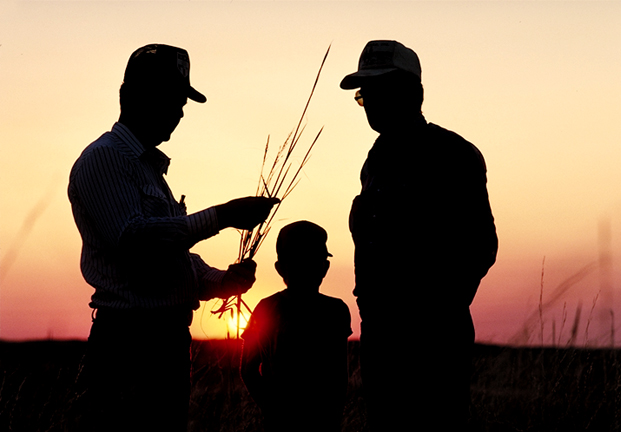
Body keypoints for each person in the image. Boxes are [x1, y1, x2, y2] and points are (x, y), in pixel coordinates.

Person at [67, 43, 279, 432]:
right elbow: (133, 241)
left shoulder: (149, 170)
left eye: (182, 100)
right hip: (130, 343)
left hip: (165, 346)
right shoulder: (105, 159)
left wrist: (221, 281)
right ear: (128, 96)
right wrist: (223, 216)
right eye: (170, 97)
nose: (180, 111)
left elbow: (169, 256)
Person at [340, 40, 498, 430]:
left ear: (413, 93)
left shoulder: (453, 155)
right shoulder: (376, 158)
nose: (371, 103)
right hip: (381, 338)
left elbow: (481, 246)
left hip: (432, 344)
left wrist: (431, 316)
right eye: (365, 95)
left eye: (380, 91)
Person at [240, 221, 352, 432]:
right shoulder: (334, 310)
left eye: (312, 260)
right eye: (299, 260)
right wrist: (272, 408)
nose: (306, 267)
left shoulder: (336, 311)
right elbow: (248, 369)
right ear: (281, 268)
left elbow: (339, 376)